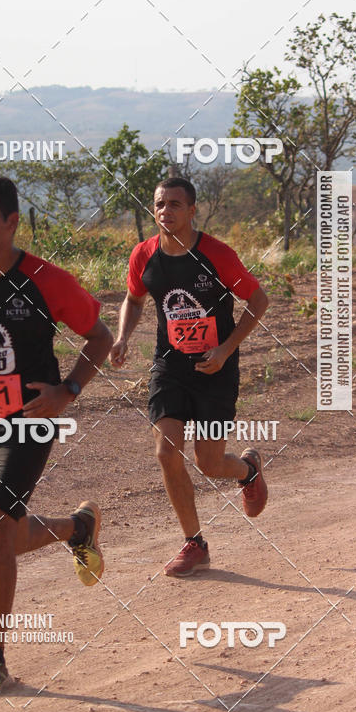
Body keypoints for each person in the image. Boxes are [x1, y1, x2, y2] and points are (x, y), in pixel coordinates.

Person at [0, 176, 113, 693]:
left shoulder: (46, 280)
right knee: (3, 534)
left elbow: (98, 335)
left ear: (11, 222)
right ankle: (78, 528)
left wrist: (68, 390)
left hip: (32, 420)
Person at [110, 177, 269, 578]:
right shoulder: (144, 255)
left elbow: (258, 299)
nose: (166, 212)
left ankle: (247, 470)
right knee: (166, 452)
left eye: (175, 205)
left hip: (215, 370)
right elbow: (133, 297)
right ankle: (194, 543)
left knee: (210, 463)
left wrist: (226, 349)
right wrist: (123, 336)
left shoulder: (216, 255)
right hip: (170, 367)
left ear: (192, 210)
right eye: (160, 204)